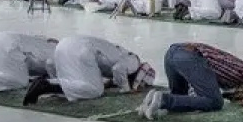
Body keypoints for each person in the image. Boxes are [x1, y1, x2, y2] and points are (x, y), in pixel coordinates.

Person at [139, 42, 243, 118]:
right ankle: (163, 100)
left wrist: (236, 96)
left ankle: (152, 100)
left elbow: (197, 90)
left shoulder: (225, 82)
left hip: (172, 53)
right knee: (215, 102)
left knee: (180, 98)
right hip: (190, 56)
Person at [23, 34, 154, 105]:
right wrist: (126, 88)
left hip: (65, 44)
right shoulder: (134, 61)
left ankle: (50, 83)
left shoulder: (118, 51)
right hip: (82, 50)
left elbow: (51, 63)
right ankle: (46, 85)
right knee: (94, 90)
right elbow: (118, 69)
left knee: (74, 79)